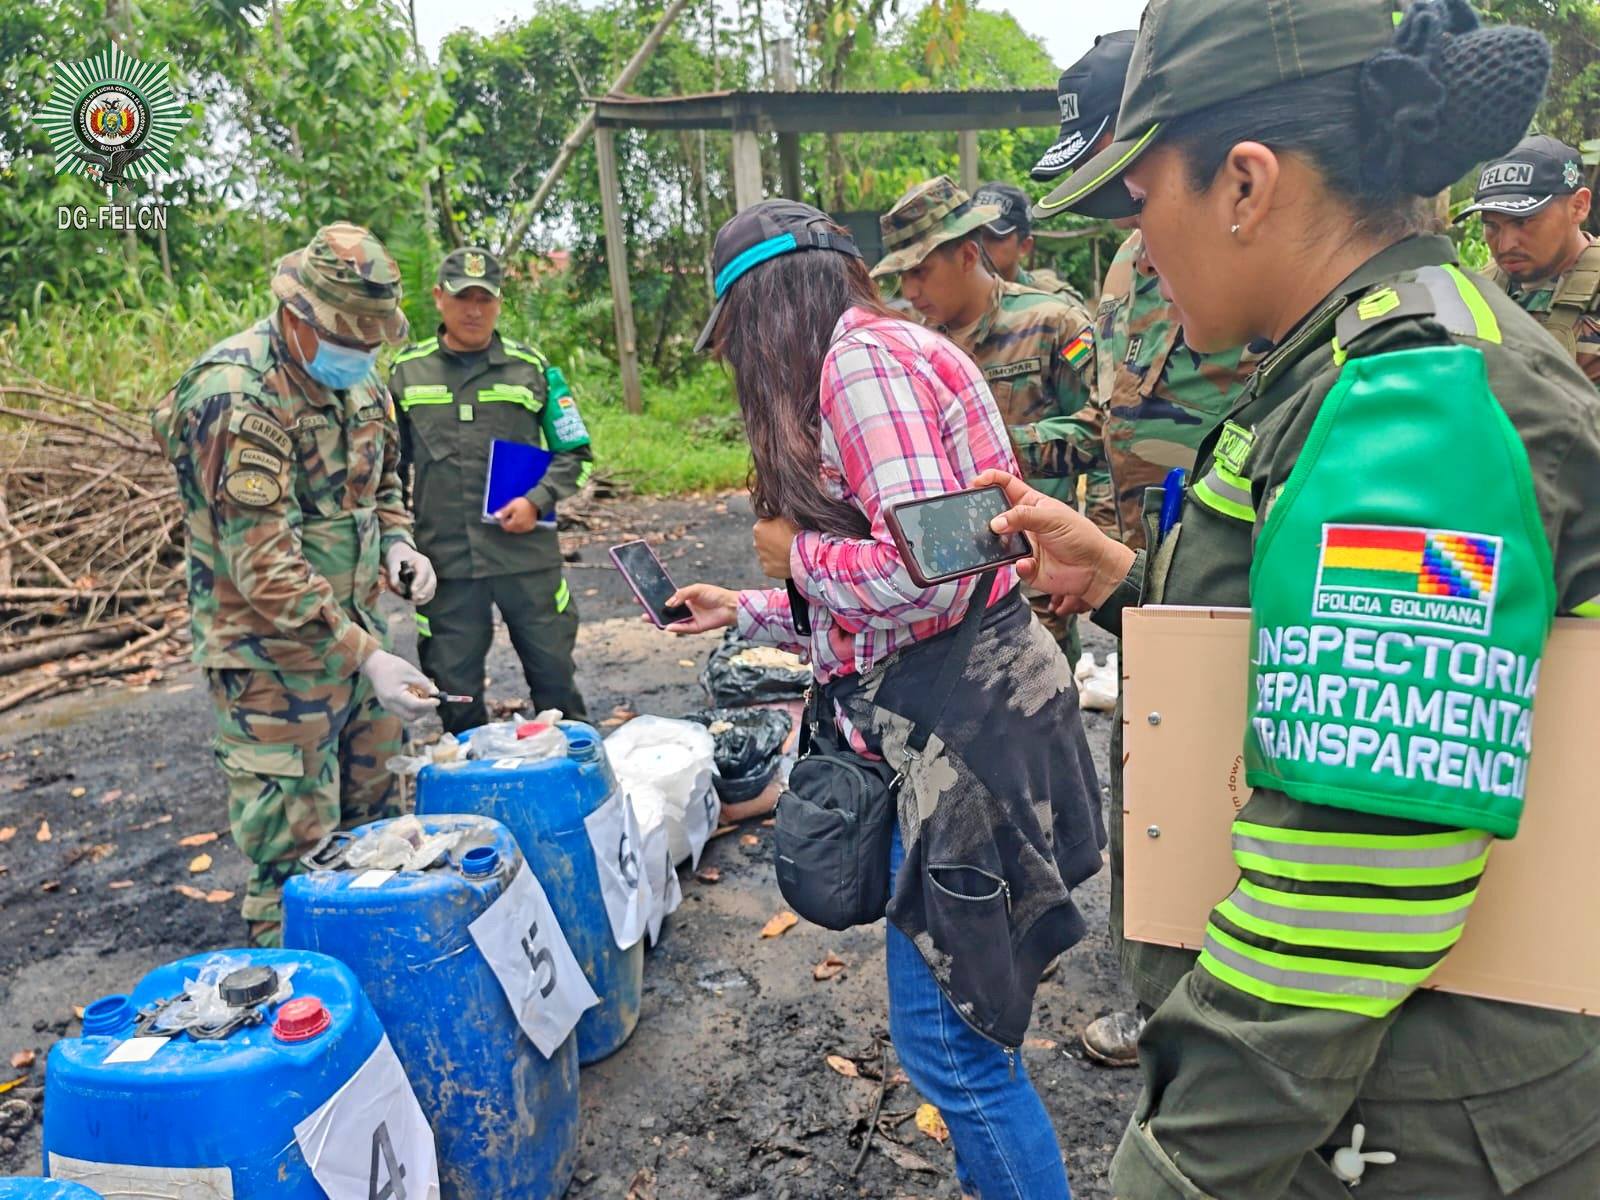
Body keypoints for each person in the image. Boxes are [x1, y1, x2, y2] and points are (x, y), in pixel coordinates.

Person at [981, 0, 1600, 1194]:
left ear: (1246, 183)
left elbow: (1345, 909)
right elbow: (1328, 653)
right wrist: (1120, 582)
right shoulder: (1354, 355)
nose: (1138, 248)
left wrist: (1166, 1174)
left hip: (1403, 1124)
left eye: (1142, 197)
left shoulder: (1409, 401)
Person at [667, 200, 1105, 1199]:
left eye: (736, 336)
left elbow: (932, 576)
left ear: (768, 305)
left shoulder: (858, 369)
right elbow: (890, 590)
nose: (740, 362)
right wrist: (743, 607)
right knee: (962, 1038)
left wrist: (798, 555)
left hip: (962, 736)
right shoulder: (879, 354)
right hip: (961, 710)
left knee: (955, 1055)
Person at [1030, 24, 1263, 1072]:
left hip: (1255, 578)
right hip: (1157, 577)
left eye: (1134, 183)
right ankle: (1158, 992)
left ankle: (1217, 1010)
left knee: (1244, 795)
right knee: (1154, 781)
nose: (1128, 216)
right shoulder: (1133, 264)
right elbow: (1112, 415)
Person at [152, 223, 441, 947]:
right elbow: (263, 568)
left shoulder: (360, 374)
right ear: (295, 314)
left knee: (376, 833)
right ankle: (298, 1021)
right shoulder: (235, 398)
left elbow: (384, 481)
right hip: (271, 669)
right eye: (350, 336)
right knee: (295, 858)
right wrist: (371, 656)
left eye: (374, 340)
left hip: (352, 644)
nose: (364, 353)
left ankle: (376, 991)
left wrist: (400, 543)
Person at [871, 175, 1107, 664]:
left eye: (921, 271)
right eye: (901, 276)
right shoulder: (910, 347)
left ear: (966, 256)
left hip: (1033, 577)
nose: (909, 291)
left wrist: (993, 450)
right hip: (946, 590)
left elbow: (1102, 433)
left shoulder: (1051, 322)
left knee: (1039, 718)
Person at [388, 247, 591, 733]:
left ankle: (574, 780)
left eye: (485, 298)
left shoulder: (532, 369)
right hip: (447, 567)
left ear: (500, 303)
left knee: (556, 684)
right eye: (462, 298)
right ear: (439, 298)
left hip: (527, 561)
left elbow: (576, 455)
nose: (474, 310)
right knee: (453, 695)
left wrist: (536, 499)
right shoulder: (406, 372)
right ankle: (468, 793)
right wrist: (393, 545)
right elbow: (386, 473)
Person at [1456, 134, 1599, 384]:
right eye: (1492, 226)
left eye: (1523, 222)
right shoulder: (1478, 290)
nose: (1505, 244)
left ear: (1578, 206)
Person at [973, 180, 1084, 303]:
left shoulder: (1052, 306)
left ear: (1024, 246)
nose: (977, 246)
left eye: (993, 237)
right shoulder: (953, 301)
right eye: (973, 234)